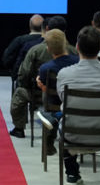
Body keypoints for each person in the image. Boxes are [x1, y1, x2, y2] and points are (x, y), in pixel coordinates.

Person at [56, 26, 100, 185]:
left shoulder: (64, 74)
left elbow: (63, 100)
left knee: (61, 118)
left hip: (72, 134)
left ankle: (72, 173)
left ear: (77, 47)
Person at [9, 15, 69, 138]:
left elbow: (24, 74)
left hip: (38, 95)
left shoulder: (35, 50)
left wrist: (27, 85)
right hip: (67, 96)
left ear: (47, 29)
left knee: (19, 92)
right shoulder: (73, 52)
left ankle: (19, 128)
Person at [32, 29, 78, 157]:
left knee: (46, 94)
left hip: (55, 104)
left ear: (48, 48)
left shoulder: (45, 68)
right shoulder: (79, 63)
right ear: (66, 43)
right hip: (76, 104)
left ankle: (50, 134)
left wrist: (43, 87)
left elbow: (49, 90)